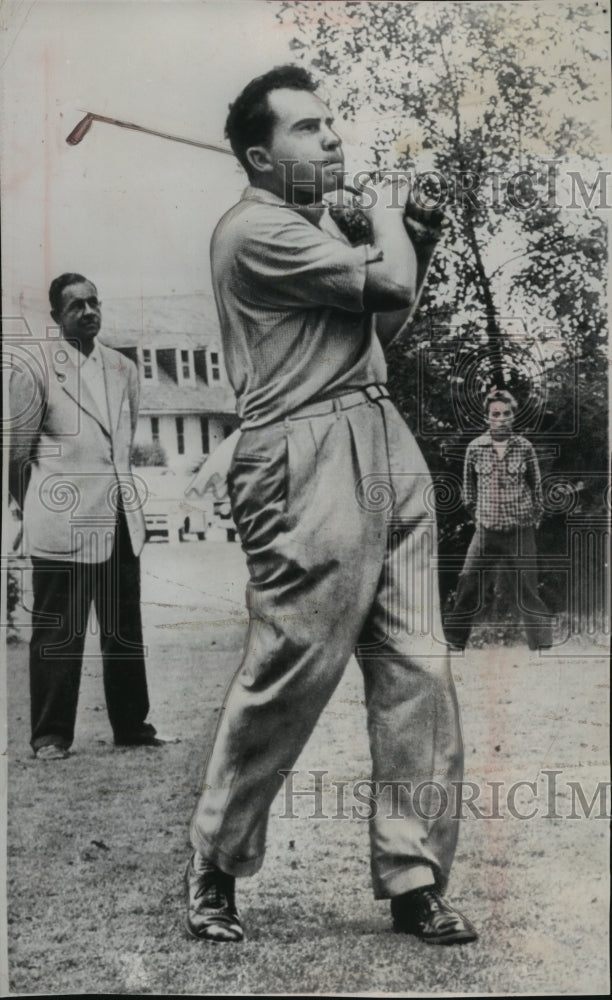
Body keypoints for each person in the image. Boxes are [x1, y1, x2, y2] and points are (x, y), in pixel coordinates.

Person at [185, 65, 477, 945]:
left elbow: (384, 324)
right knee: (289, 673)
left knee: (419, 668)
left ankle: (414, 876)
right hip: (301, 457)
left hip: (382, 436)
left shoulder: (310, 227)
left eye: (332, 122)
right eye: (308, 128)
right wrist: (389, 210)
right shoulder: (254, 229)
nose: (333, 137)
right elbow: (384, 285)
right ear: (258, 157)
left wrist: (410, 240)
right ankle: (216, 860)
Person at [8, 273, 165, 760]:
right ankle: (51, 736)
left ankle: (132, 726)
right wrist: (37, 507)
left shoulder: (122, 368)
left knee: (123, 626)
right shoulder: (34, 369)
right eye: (76, 305)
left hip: (120, 516)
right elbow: (16, 456)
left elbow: (120, 444)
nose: (89, 311)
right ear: (56, 318)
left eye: (94, 301)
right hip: (64, 520)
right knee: (60, 629)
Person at [445, 388, 553, 651]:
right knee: (468, 581)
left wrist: (532, 518)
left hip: (520, 530)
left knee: (528, 587)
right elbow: (468, 493)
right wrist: (481, 518)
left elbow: (537, 488)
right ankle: (453, 643)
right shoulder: (475, 448)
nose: (501, 419)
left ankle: (541, 647)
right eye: (496, 414)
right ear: (487, 418)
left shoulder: (524, 447)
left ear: (513, 417)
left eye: (506, 414)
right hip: (486, 530)